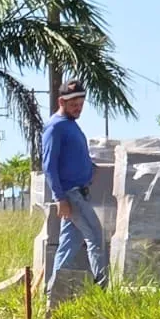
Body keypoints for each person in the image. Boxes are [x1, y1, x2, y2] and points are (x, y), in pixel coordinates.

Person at [41, 79, 109, 305]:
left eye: (81, 103)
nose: (78, 108)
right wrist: (60, 198)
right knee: (96, 238)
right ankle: (103, 292)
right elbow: (49, 165)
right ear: (61, 101)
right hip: (71, 194)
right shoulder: (56, 127)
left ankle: (52, 298)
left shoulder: (70, 124)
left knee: (67, 247)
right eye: (73, 104)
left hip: (79, 192)